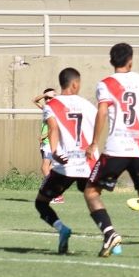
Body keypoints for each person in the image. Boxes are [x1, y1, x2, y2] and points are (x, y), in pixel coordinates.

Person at [84, 42, 139, 258]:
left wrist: (94, 142)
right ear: (131, 60)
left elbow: (102, 112)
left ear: (112, 61)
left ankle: (109, 232)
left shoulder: (105, 84)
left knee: (91, 192)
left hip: (116, 149)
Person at [34, 68, 98, 254]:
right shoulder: (88, 105)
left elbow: (53, 129)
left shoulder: (53, 104)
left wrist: (53, 151)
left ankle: (62, 228)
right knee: (93, 198)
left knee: (41, 202)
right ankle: (110, 234)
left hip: (66, 164)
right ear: (76, 84)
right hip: (87, 161)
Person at [33, 87, 64, 204]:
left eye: (50, 98)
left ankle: (55, 194)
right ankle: (54, 193)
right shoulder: (47, 109)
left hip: (49, 143)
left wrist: (44, 136)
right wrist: (45, 94)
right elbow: (34, 100)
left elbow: (55, 127)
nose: (47, 100)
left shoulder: (56, 110)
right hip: (45, 143)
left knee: (44, 168)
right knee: (50, 169)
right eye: (46, 98)